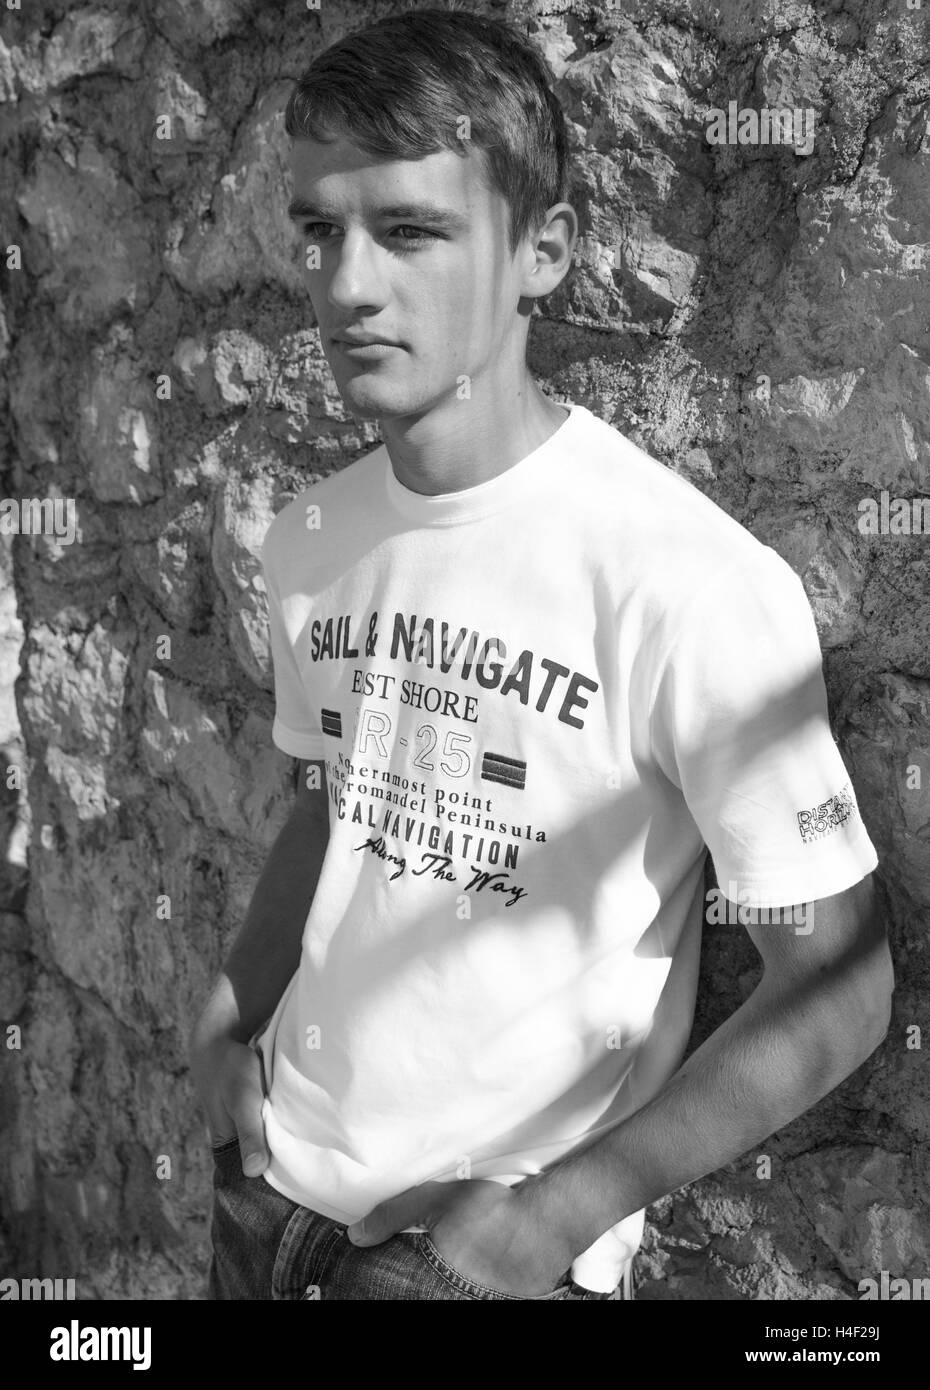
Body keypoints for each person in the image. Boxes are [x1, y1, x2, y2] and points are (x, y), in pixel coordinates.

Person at [190, 7, 893, 1302]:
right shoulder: (311, 536)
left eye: (408, 230)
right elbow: (331, 794)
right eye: (318, 230)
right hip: (267, 1181)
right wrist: (233, 1012)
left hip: (468, 1254)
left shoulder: (684, 581)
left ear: (544, 249)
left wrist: (550, 1217)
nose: (347, 284)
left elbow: (837, 986)